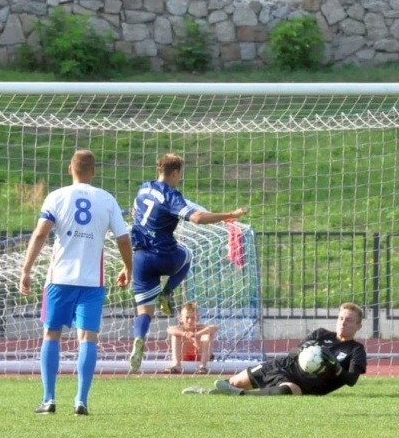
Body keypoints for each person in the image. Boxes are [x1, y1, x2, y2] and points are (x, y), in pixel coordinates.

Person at [19, 148, 133, 415]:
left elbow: (40, 234)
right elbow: (123, 239)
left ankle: (49, 399)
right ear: (94, 171)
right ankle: (81, 400)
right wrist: (128, 268)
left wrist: (26, 269)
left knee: (51, 333)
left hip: (59, 278)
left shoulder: (57, 196)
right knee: (88, 338)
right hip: (92, 281)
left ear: (70, 169)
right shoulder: (106, 199)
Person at [126, 153, 248, 374]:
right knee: (188, 255)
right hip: (163, 255)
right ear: (175, 173)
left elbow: (135, 213)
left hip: (141, 258)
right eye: (180, 174)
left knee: (144, 311)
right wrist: (231, 214)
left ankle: (139, 337)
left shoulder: (144, 188)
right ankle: (167, 293)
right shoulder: (171, 195)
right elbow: (197, 218)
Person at [193, 302, 366, 396]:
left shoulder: (356, 350)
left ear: (358, 326)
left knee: (290, 390)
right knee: (233, 383)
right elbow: (292, 353)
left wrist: (334, 364)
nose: (343, 322)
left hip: (302, 384)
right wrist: (302, 349)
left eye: (349, 320)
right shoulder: (321, 334)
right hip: (283, 367)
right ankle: (205, 393)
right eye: (341, 318)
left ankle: (241, 395)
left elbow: (351, 380)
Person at [166, 300, 216, 374]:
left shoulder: (201, 328)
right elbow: (170, 330)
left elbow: (214, 327)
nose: (190, 320)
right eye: (187, 317)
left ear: (197, 318)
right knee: (175, 336)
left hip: (201, 356)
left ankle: (202, 366)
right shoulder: (180, 329)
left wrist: (196, 334)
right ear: (180, 318)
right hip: (184, 356)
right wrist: (184, 334)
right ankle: (177, 364)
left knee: (206, 335)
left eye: (193, 318)